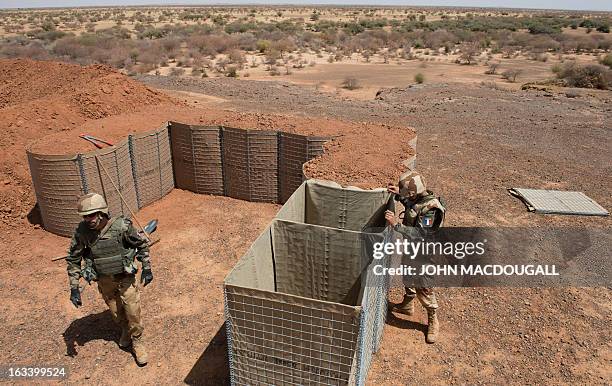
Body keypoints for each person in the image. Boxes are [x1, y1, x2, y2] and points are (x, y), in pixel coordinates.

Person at [66, 192, 153, 365]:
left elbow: (141, 244)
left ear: (101, 213)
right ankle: (124, 330)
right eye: (85, 216)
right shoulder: (82, 232)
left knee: (132, 310)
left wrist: (147, 268)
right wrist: (74, 287)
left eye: (91, 215)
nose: (87, 219)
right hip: (104, 280)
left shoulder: (121, 226)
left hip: (125, 277)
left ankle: (137, 340)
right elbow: (74, 259)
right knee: (116, 311)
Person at [385, 171, 446, 344]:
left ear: (415, 192)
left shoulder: (431, 210)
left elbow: (421, 234)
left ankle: (433, 318)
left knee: (424, 287)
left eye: (406, 193)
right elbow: (411, 204)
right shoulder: (419, 198)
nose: (406, 197)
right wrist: (399, 194)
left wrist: (396, 225)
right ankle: (407, 304)